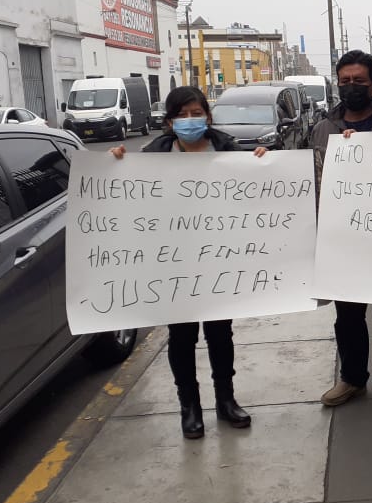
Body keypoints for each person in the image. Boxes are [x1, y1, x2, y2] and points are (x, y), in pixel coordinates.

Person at [110, 86, 266, 439]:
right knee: (181, 337)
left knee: (220, 334)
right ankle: (189, 406)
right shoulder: (152, 157)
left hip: (218, 260)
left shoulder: (227, 150)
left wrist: (261, 159)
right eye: (182, 115)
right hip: (173, 263)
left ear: (208, 116)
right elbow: (129, 197)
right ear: (168, 122)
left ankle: (225, 400)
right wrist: (115, 161)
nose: (190, 120)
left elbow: (254, 192)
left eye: (197, 113)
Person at [310, 50, 372, 411]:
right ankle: (352, 378)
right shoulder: (323, 130)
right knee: (349, 316)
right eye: (345, 81)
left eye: (359, 81)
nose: (351, 86)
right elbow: (307, 180)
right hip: (343, 243)